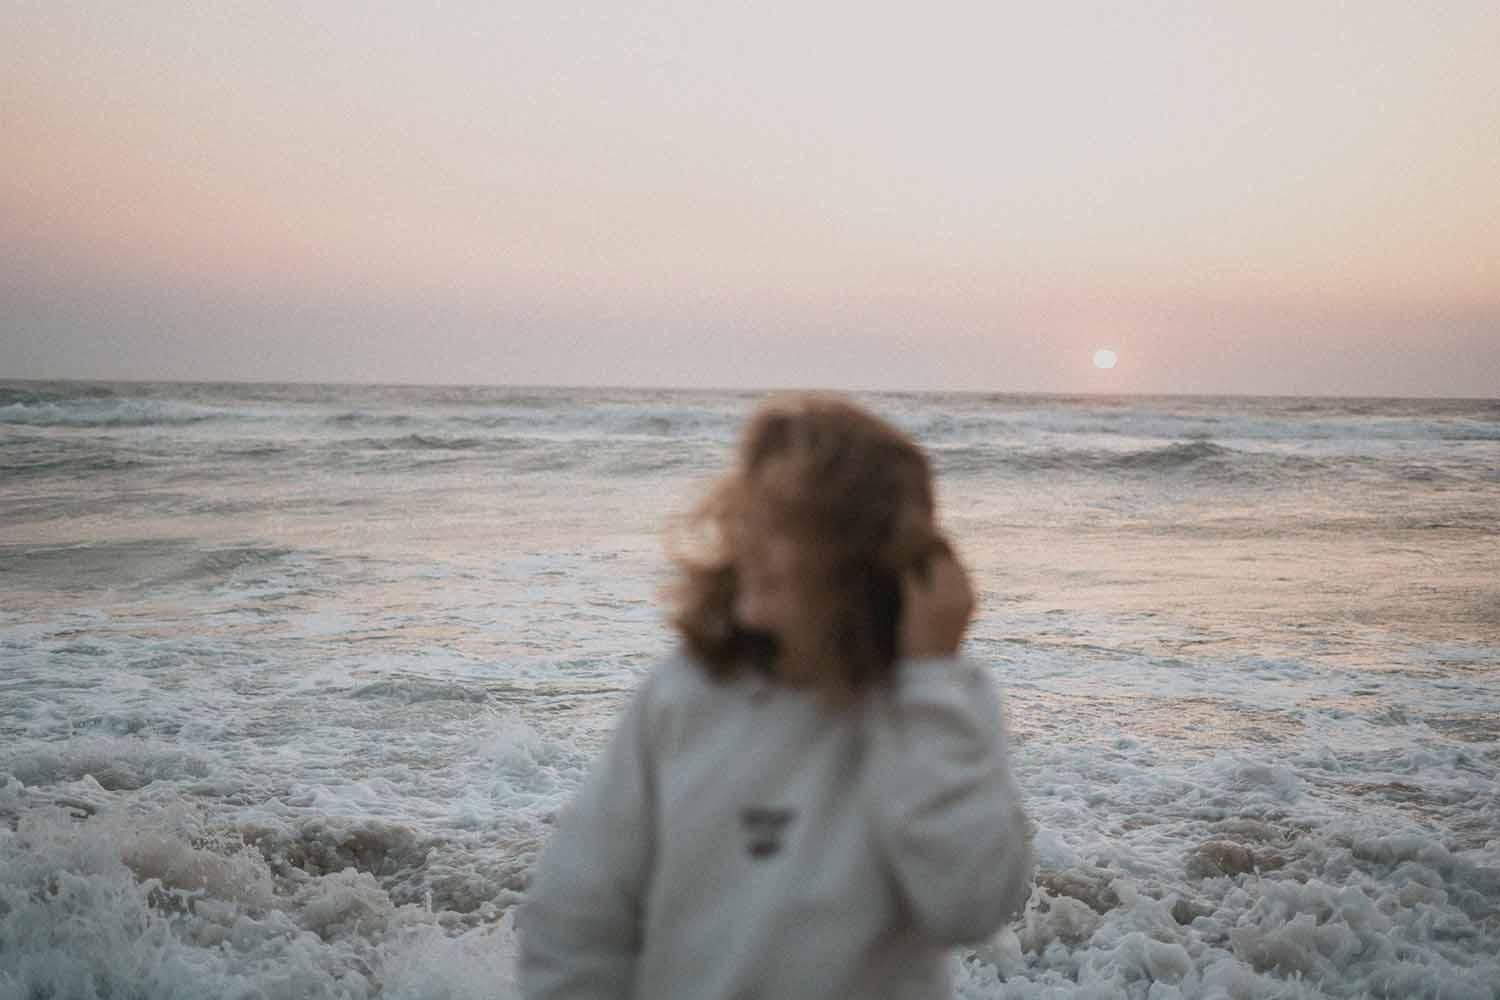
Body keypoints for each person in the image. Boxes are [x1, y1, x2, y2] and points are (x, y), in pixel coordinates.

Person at [518, 393, 1034, 1000]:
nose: (750, 543)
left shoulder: (937, 704)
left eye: (786, 525)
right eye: (749, 515)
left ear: (864, 552)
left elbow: (969, 905)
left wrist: (926, 682)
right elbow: (579, 915)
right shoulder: (684, 697)